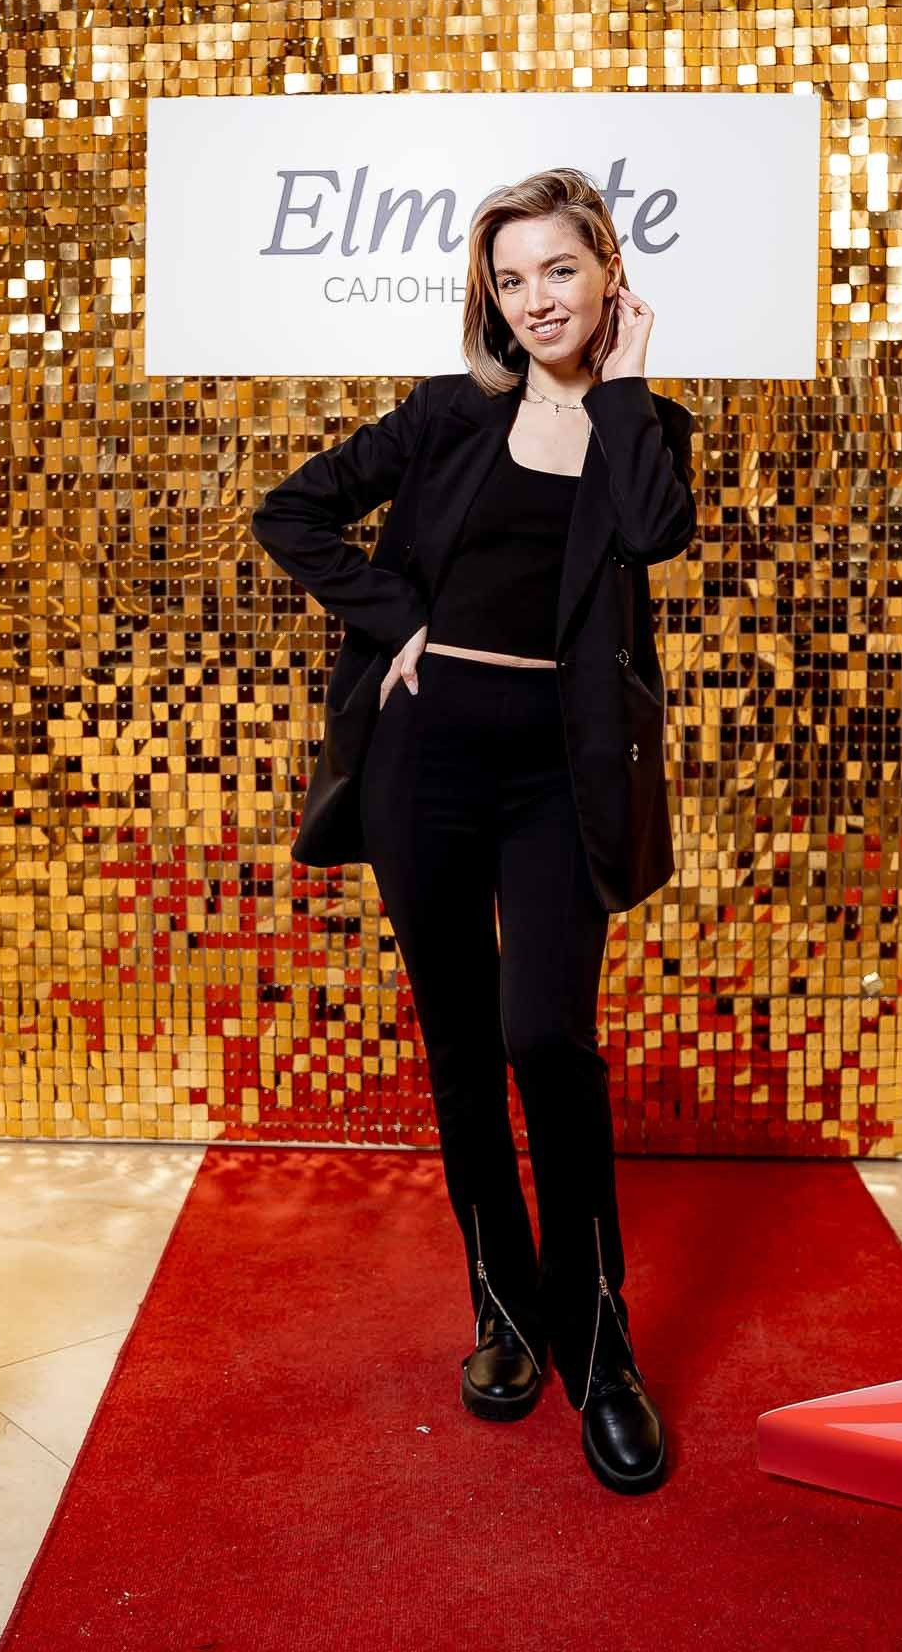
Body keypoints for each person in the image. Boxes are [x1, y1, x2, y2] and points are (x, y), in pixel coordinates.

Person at [252, 167, 696, 1494]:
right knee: (458, 1041)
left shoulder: (646, 422)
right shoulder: (451, 411)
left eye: (559, 269)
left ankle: (599, 1344)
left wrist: (622, 386)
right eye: (510, 279)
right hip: (427, 766)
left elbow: (654, 537)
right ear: (489, 298)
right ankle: (502, 1308)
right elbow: (290, 511)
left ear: (606, 273)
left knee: (543, 1037)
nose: (536, 298)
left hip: (557, 775)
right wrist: (399, 625)